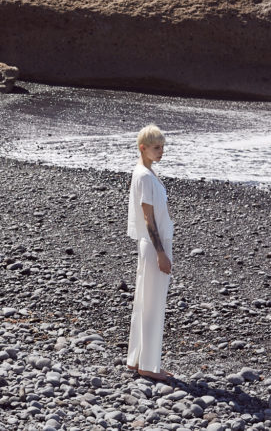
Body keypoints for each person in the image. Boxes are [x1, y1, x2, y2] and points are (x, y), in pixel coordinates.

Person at [125, 124, 174, 381]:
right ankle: (148, 366)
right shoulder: (144, 176)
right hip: (155, 246)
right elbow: (148, 218)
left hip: (153, 245)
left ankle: (136, 360)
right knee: (152, 306)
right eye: (156, 148)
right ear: (143, 148)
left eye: (163, 147)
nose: (161, 152)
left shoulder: (146, 172)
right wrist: (161, 253)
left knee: (144, 303)